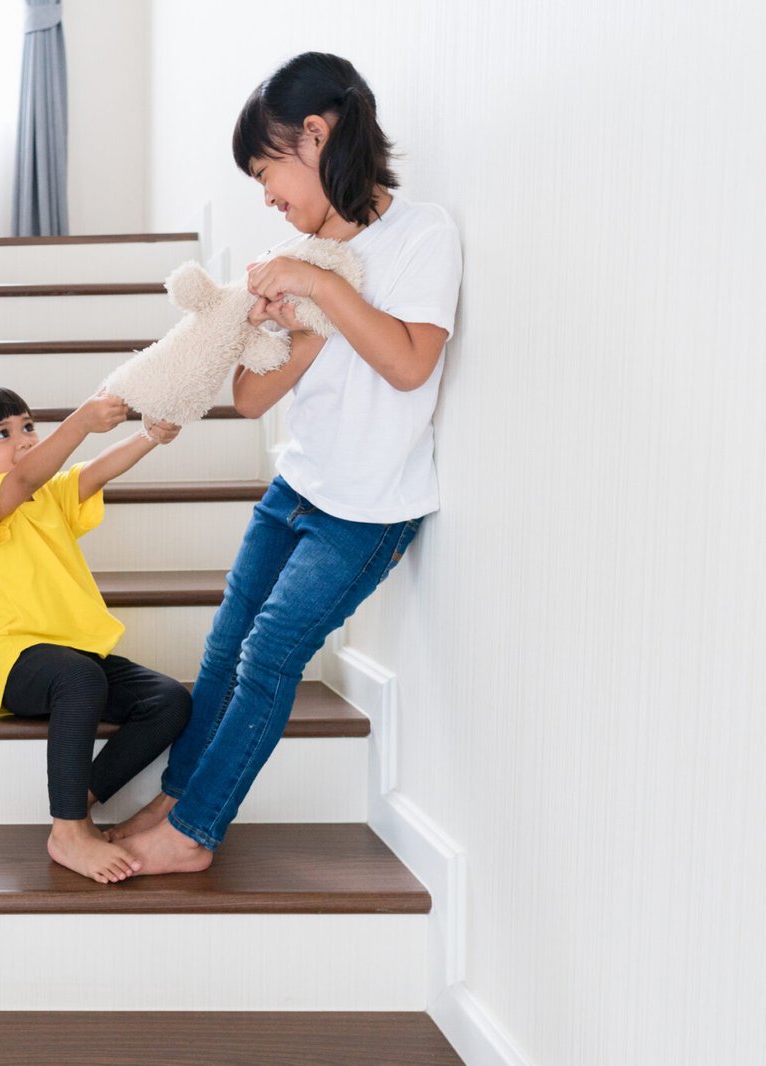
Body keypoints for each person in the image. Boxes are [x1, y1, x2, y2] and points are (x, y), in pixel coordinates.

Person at [112, 51, 463, 874]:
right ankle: (178, 795)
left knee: (269, 653)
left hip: (368, 511)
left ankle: (193, 834)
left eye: (267, 171)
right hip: (296, 488)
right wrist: (300, 328)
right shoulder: (290, 252)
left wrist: (319, 285)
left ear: (316, 135)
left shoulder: (423, 235)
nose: (267, 196)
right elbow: (248, 398)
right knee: (225, 644)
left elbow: (410, 364)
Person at [0, 386, 192, 884]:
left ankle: (78, 797)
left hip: (78, 659)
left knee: (169, 700)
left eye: (28, 426)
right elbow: (24, 476)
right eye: (3, 434)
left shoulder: (48, 495)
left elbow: (95, 472)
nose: (24, 438)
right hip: (22, 664)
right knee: (80, 677)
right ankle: (66, 830)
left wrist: (149, 435)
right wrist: (82, 421)